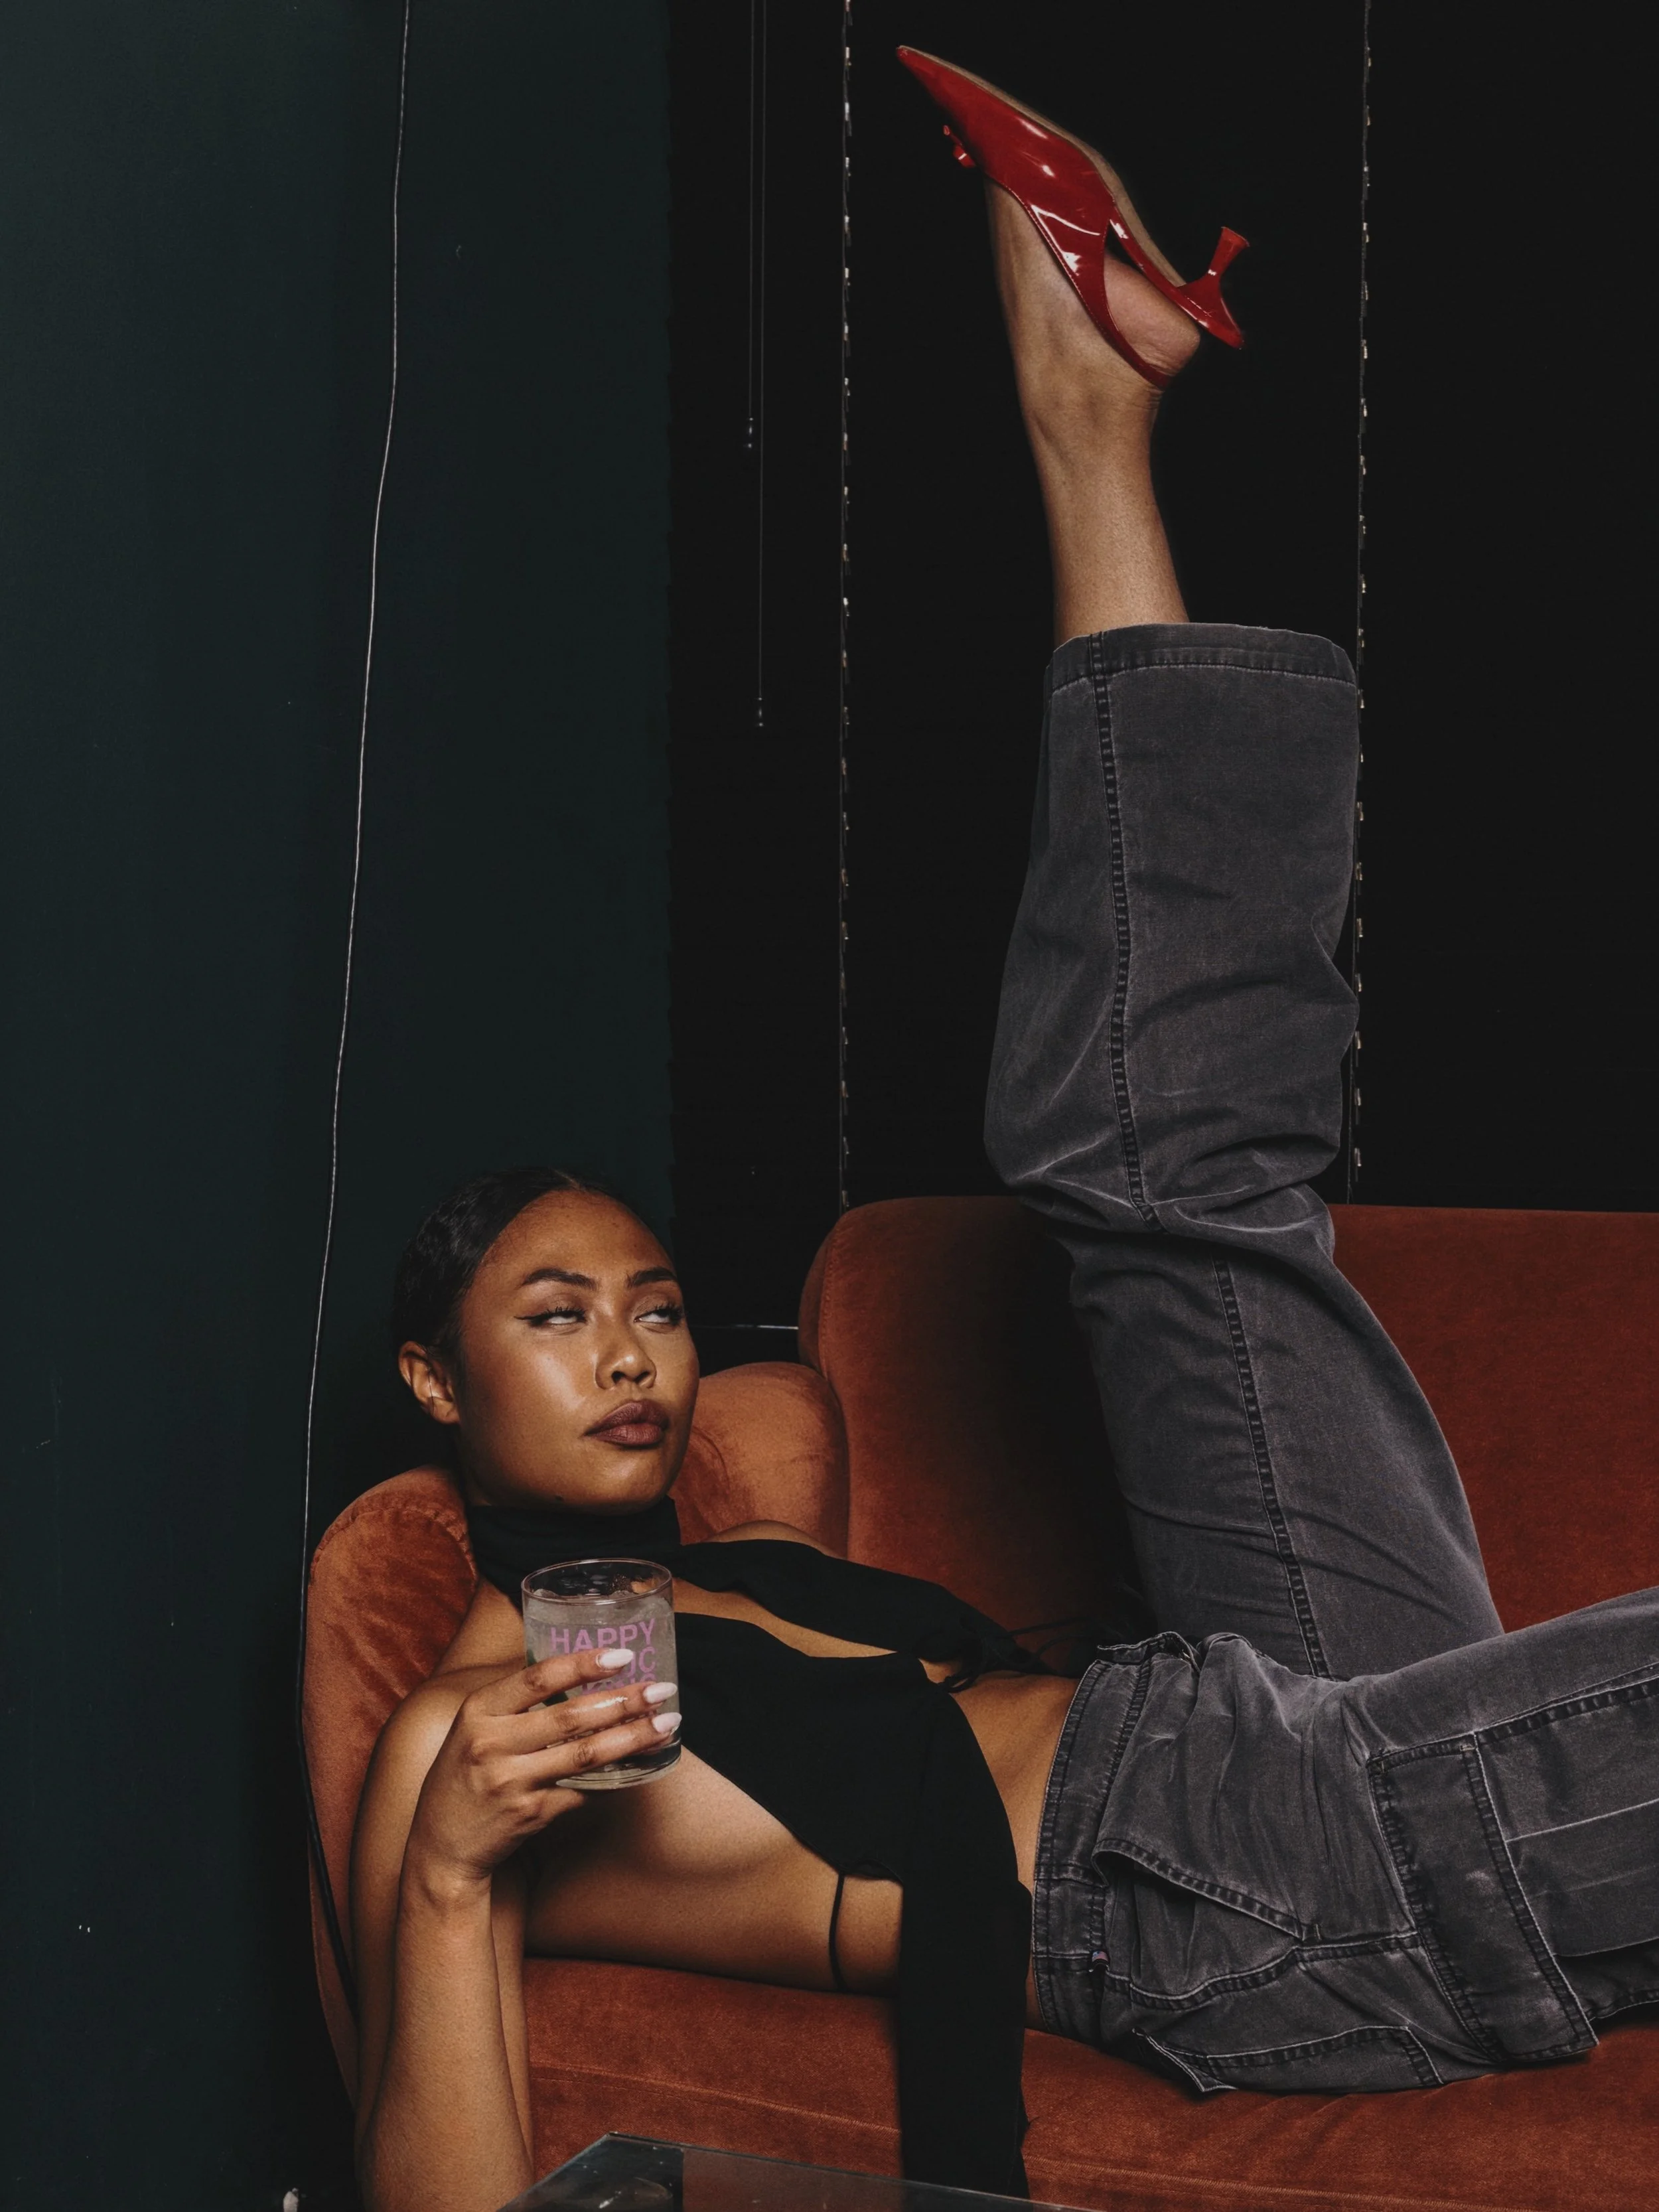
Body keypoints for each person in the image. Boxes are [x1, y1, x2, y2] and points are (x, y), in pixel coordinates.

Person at [347, 50, 1659, 2212]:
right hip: (1231, 1882)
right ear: (432, 1378)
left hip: (1235, 1719)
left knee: (1158, 1173)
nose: (629, 1351)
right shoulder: (464, 1727)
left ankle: (1089, 413)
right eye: (554, 1313)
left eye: (653, 1303)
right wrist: (446, 1868)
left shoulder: (754, 1581)